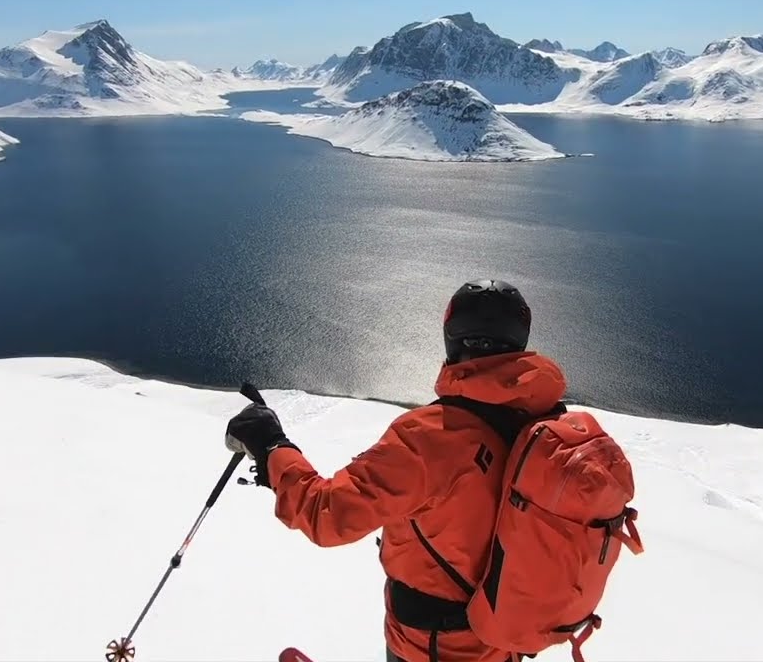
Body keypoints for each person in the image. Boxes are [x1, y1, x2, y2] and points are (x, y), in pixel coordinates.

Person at [225, 279, 568, 662]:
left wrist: (271, 446)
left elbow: (326, 514)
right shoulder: (548, 427)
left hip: (431, 648)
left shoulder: (431, 438)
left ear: (452, 339)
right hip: (503, 642)